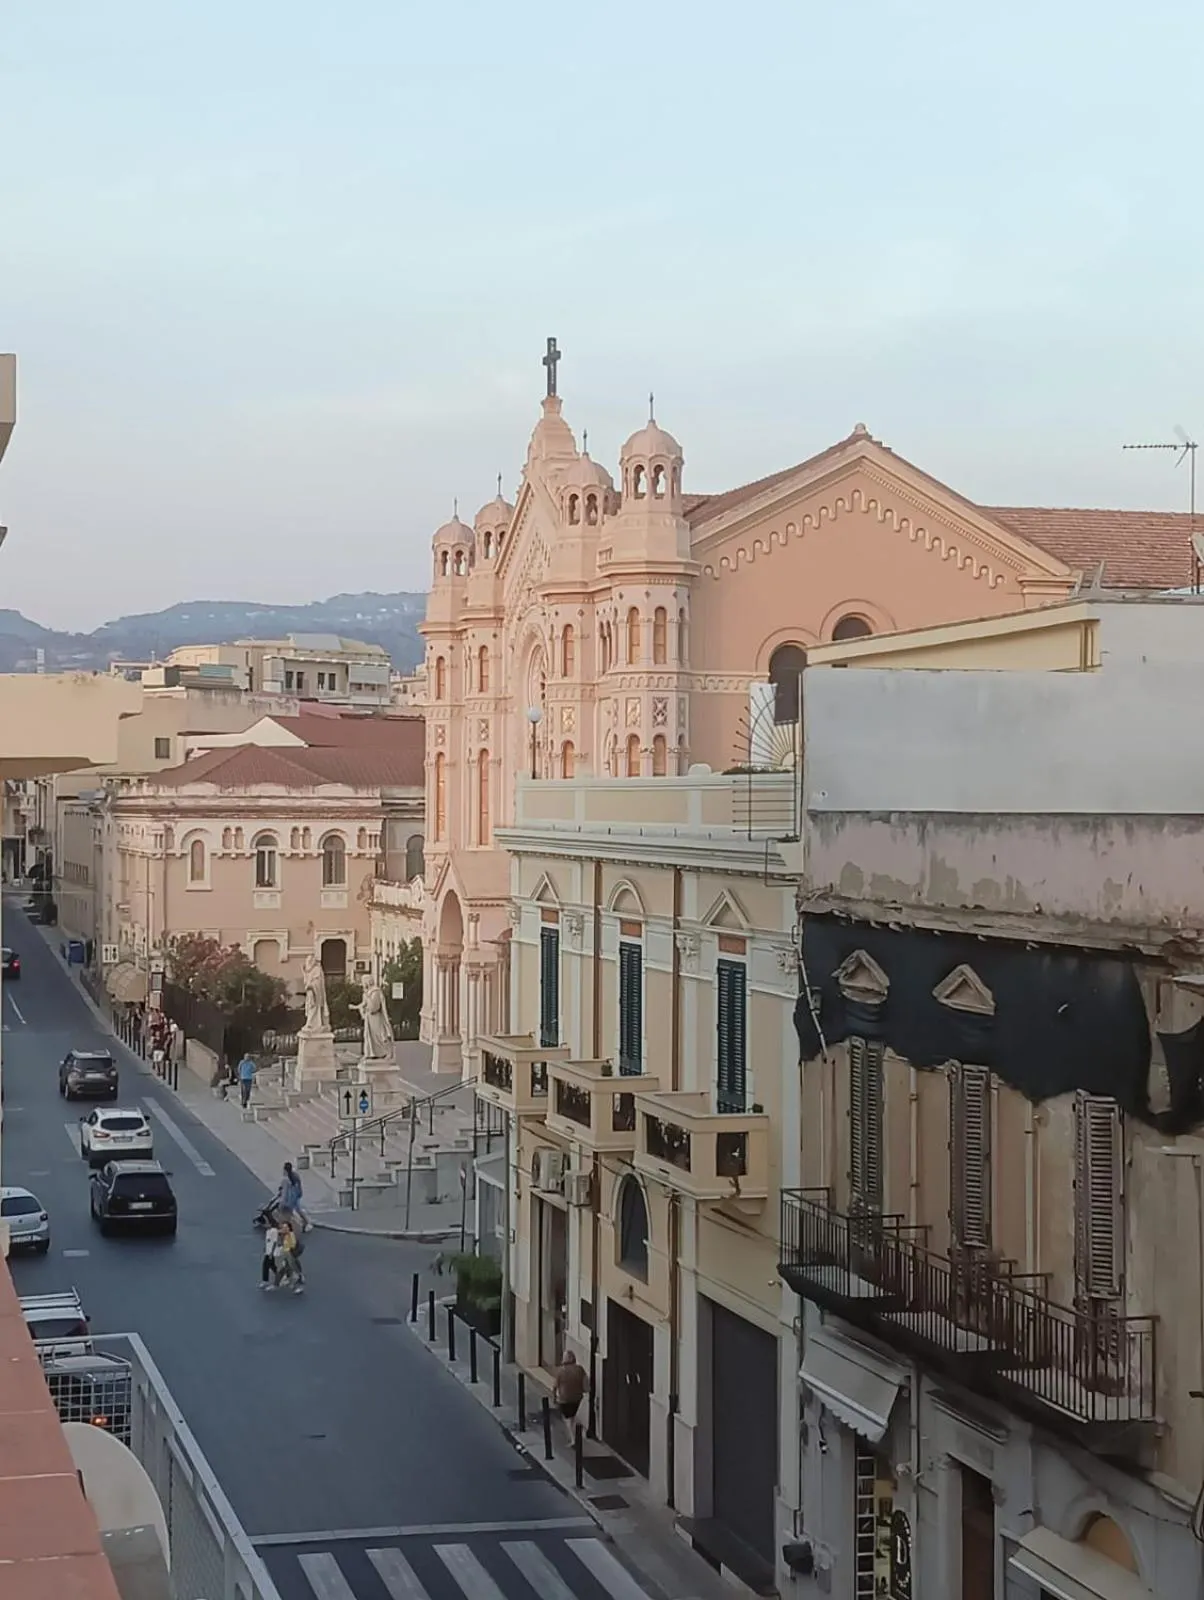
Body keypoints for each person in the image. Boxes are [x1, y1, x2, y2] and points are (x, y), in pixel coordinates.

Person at [553, 1350, 587, 1444]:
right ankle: (579, 1433)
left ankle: (573, 1439)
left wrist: (554, 1398)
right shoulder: (580, 1369)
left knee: (567, 1418)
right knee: (572, 1416)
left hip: (565, 1399)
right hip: (577, 1398)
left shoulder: (561, 1371)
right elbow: (586, 1385)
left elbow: (555, 1386)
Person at [277, 1162, 309, 1231]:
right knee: (298, 1210)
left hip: (288, 1200)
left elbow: (284, 1193)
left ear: (284, 1170)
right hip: (295, 1196)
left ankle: (289, 1228)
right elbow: (299, 1185)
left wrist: (281, 1203)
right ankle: (306, 1222)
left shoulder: (285, 1180)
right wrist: (300, 1192)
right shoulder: (295, 1175)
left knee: (286, 1214)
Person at [260, 1215, 281, 1290]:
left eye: (266, 1223)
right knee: (272, 1266)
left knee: (265, 1265)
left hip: (273, 1252)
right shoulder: (268, 1231)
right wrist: (265, 1248)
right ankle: (281, 1276)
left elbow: (275, 1242)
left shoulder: (274, 1231)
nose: (265, 1225)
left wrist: (271, 1253)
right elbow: (268, 1241)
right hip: (268, 1252)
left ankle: (265, 1280)